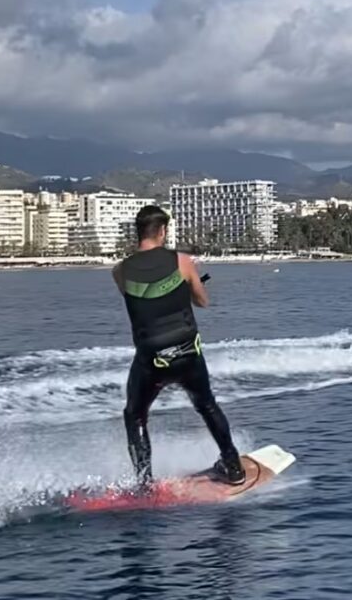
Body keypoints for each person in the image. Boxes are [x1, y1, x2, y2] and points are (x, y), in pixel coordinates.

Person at [112, 205, 245, 489]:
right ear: (163, 231)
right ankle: (233, 466)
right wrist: (183, 289)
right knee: (206, 404)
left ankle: (144, 483)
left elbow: (141, 301)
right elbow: (202, 301)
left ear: (138, 232)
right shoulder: (183, 262)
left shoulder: (120, 270)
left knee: (135, 415)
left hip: (152, 360)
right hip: (187, 353)